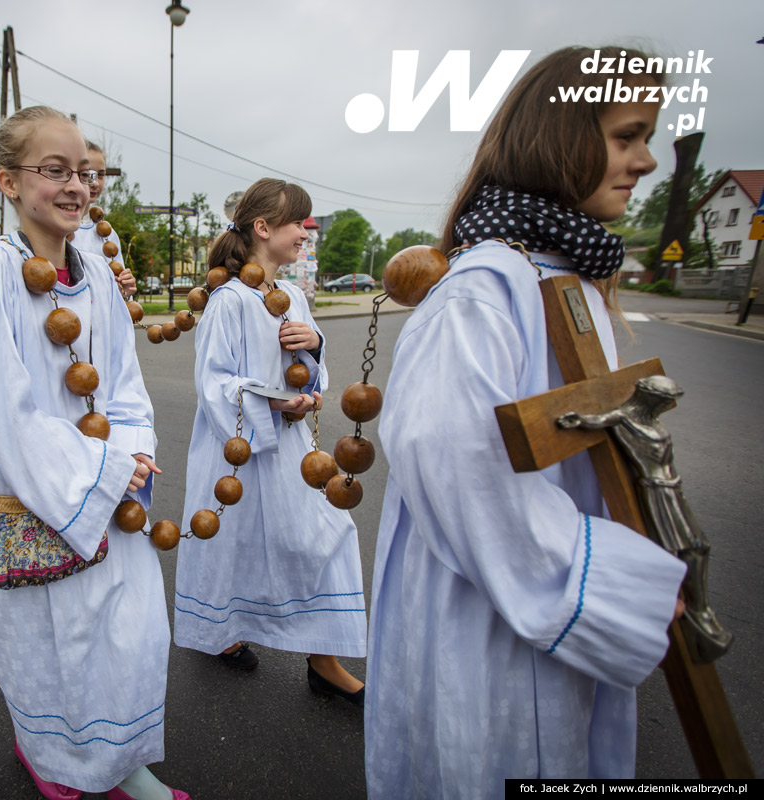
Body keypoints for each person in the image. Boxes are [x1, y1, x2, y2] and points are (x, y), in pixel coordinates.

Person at [364, 46, 688, 796]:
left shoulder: (563, 276)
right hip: (493, 614)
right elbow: (452, 459)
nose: (646, 160)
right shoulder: (485, 288)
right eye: (628, 135)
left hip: (539, 609)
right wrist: (604, 581)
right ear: (561, 135)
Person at [0, 105, 187, 800]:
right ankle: (52, 758)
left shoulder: (100, 273)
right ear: (7, 181)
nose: (77, 185)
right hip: (41, 494)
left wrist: (132, 458)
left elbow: (127, 386)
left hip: (108, 490)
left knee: (121, 636)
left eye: (86, 171)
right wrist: (98, 472)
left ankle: (117, 760)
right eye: (54, 170)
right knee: (54, 643)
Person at [173, 177, 367, 702]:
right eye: (297, 223)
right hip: (237, 448)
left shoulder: (295, 296)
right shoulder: (229, 300)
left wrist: (314, 348)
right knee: (232, 540)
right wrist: (270, 401)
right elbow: (213, 380)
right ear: (263, 229)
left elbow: (310, 378)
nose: (306, 231)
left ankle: (322, 658)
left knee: (325, 535)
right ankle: (222, 632)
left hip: (291, 447)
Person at [73, 141, 136, 298]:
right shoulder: (55, 230)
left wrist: (124, 290)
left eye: (100, 175)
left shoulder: (107, 234)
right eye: (86, 174)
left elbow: (117, 292)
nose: (94, 183)